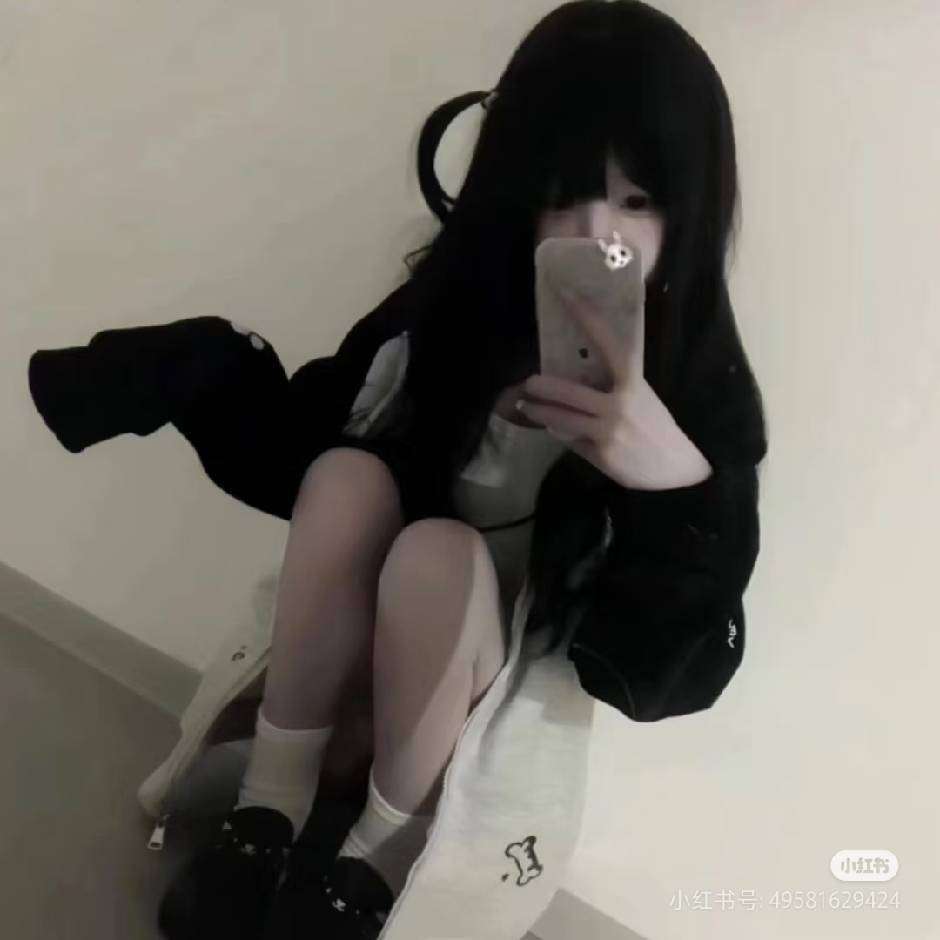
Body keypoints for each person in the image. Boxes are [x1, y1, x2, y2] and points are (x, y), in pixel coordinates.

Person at [27, 2, 768, 938]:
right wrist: (196, 366)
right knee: (349, 481)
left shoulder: (698, 397)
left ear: (690, 210)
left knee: (439, 556)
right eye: (564, 192)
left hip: (474, 719)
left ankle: (372, 865)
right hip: (349, 668)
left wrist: (677, 488)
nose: (594, 233)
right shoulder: (447, 310)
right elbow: (298, 452)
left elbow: (661, 680)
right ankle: (268, 813)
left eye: (638, 200)